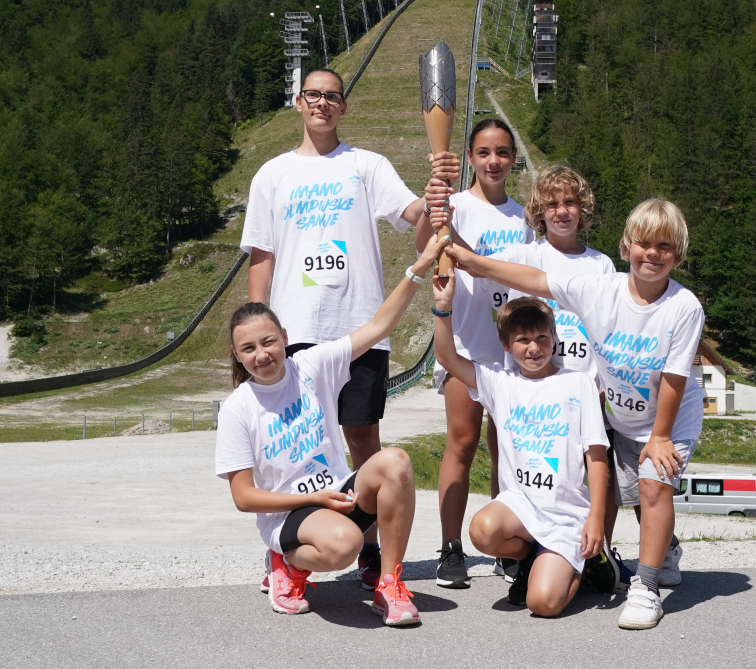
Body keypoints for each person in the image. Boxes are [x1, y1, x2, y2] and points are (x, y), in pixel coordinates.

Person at [444, 198, 705, 630]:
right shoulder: (599, 290)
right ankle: (636, 553)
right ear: (626, 246)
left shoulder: (684, 306)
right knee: (624, 496)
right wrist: (473, 262)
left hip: (670, 415)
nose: (653, 254)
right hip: (623, 411)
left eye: (665, 246)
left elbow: (675, 379)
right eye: (644, 243)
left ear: (678, 254)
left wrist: (660, 436)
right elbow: (536, 279)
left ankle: (646, 586)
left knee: (653, 485)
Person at [241, 68, 457, 588]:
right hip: (296, 329)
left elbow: (413, 218)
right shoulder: (272, 174)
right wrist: (254, 328)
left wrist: (433, 194)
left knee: (363, 437)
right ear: (299, 103)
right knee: (299, 445)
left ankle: (370, 546)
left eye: (332, 96)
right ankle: (292, 546)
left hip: (360, 326)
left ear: (344, 106)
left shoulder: (366, 165)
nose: (322, 103)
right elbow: (261, 256)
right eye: (313, 95)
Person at [215, 233, 449, 626]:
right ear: (237, 355)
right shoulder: (238, 408)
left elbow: (378, 326)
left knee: (396, 462)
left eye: (269, 342)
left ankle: (389, 584)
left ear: (285, 338)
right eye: (249, 348)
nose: (262, 354)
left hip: (338, 494)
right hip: (288, 513)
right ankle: (287, 564)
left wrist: (420, 267)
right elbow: (243, 497)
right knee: (346, 545)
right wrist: (314, 499)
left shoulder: (311, 365)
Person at [431, 286, 609, 616]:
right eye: (523, 340)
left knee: (543, 604)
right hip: (521, 508)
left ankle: (585, 564)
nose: (534, 348)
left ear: (554, 338)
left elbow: (596, 455)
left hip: (564, 515)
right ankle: (529, 559)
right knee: (482, 530)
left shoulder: (578, 383)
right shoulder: (500, 382)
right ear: (506, 345)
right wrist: (443, 307)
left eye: (542, 338)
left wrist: (596, 518)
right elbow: (447, 357)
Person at [484, 165, 620, 589]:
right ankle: (529, 551)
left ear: (583, 208)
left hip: (584, 385)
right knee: (521, 468)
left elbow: (607, 330)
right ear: (539, 211)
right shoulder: (525, 256)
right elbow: (509, 314)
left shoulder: (601, 264)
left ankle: (597, 550)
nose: (562, 211)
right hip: (534, 388)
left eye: (570, 202)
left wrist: (604, 382)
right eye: (552, 204)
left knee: (595, 470)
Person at [417, 117, 533, 588]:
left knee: (506, 447)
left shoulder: (525, 218)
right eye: (483, 152)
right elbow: (426, 245)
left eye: (502, 152)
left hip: (515, 354)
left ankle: (506, 544)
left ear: (513, 159)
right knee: (461, 444)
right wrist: (432, 207)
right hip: (467, 346)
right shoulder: (456, 206)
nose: (493, 161)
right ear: (469, 157)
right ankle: (451, 548)